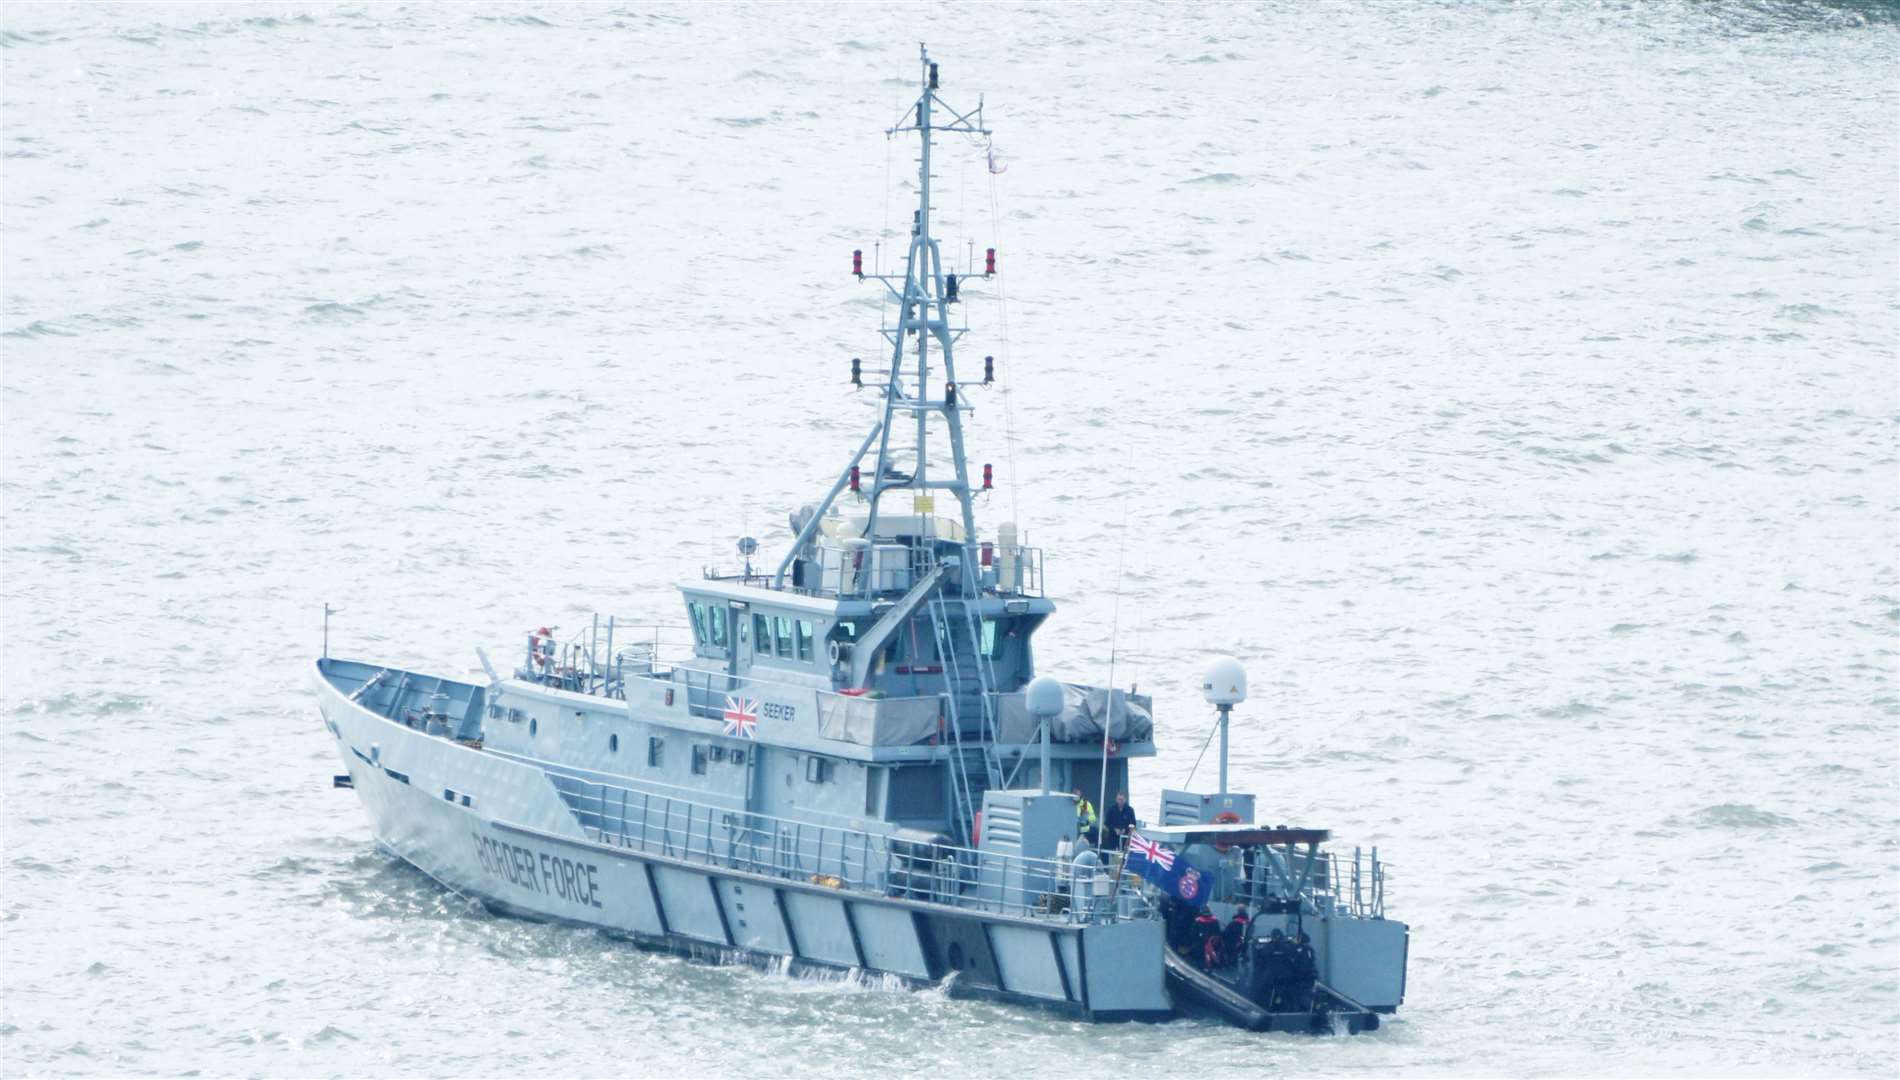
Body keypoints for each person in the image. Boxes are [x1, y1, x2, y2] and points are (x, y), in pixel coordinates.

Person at [1248, 928, 1293, 1010]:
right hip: (1284, 975)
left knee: (1261, 989)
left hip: (1271, 975)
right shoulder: (1287, 947)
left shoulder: (1269, 947)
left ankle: (1261, 1005)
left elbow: (1260, 960)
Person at [1288, 930, 1318, 1011]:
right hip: (1309, 975)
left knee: (1300, 994)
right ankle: (1307, 1008)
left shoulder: (1300, 948)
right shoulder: (1310, 949)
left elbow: (1295, 960)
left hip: (1302, 976)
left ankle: (1300, 1009)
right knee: (1307, 993)